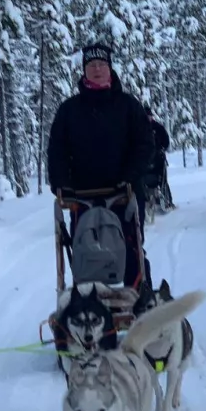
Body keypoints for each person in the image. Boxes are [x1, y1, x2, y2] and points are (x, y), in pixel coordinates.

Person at [47, 41, 155, 287]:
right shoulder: (69, 110)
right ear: (84, 70)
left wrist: (130, 175)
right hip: (82, 197)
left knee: (131, 248)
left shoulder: (128, 106)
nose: (97, 69)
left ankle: (138, 300)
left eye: (102, 64)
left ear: (110, 68)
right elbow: (57, 151)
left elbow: (145, 145)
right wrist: (61, 184)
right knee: (87, 251)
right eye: (92, 65)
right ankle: (90, 306)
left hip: (124, 193)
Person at [146, 105, 174, 212]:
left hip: (158, 160)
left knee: (162, 181)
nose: (148, 118)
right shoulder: (139, 129)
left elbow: (166, 142)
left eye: (149, 116)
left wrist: (162, 149)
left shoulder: (158, 128)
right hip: (145, 161)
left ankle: (167, 201)